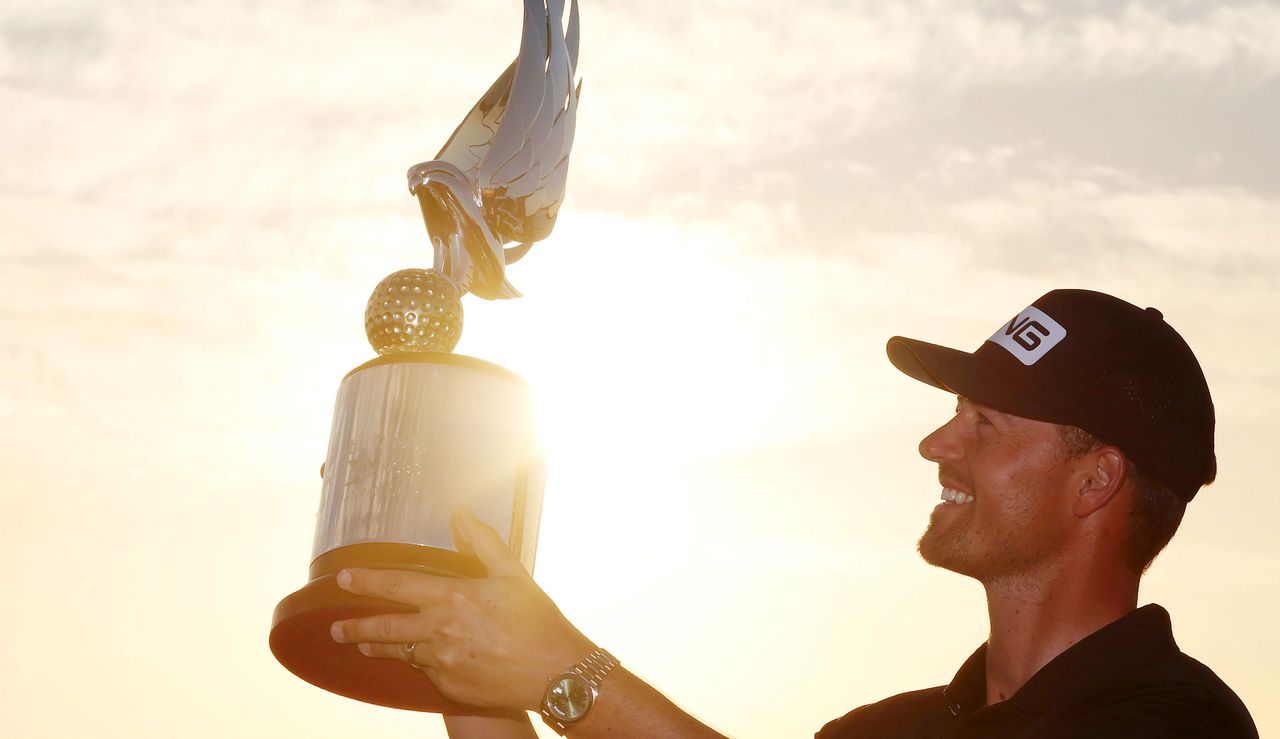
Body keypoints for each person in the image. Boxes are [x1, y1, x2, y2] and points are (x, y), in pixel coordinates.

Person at [328, 289, 1257, 737]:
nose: (938, 445)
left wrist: (567, 674)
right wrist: (467, 656)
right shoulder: (882, 733)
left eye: (985, 422)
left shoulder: (1179, 723)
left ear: (1096, 480)